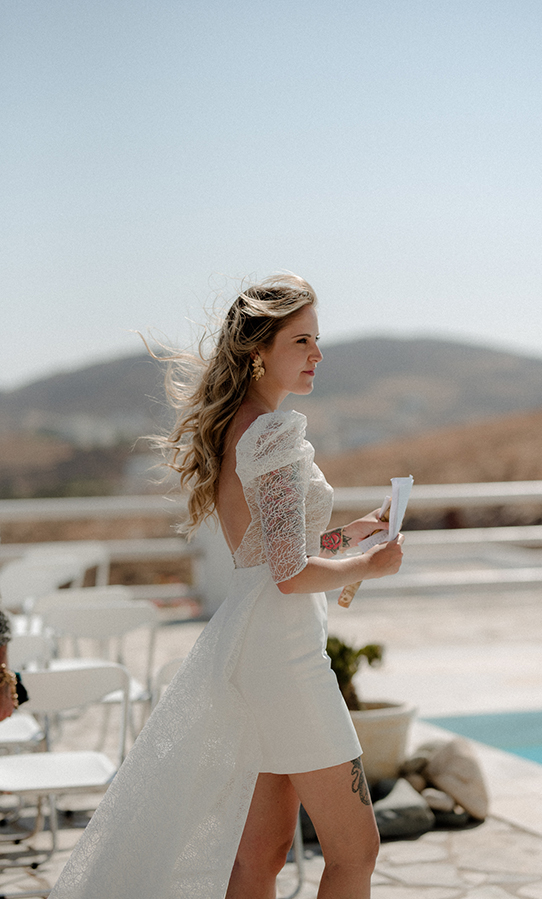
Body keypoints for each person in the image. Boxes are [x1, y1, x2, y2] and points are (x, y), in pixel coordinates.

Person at [49, 274, 404, 899]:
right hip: (287, 660)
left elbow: (270, 558)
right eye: (302, 341)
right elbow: (290, 576)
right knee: (356, 851)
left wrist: (350, 537)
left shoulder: (243, 426)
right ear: (257, 350)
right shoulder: (270, 433)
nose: (317, 354)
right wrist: (367, 568)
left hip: (258, 649)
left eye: (317, 339)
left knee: (259, 858)